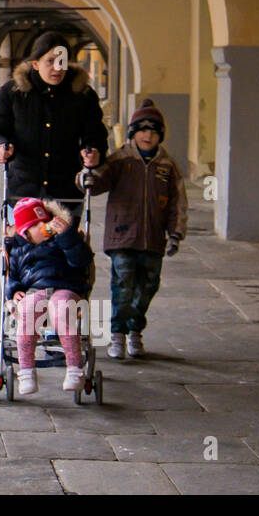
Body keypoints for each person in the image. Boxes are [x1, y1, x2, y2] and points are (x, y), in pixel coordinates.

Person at [79, 98, 188, 359]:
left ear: (160, 135)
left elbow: (178, 202)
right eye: (141, 130)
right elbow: (97, 181)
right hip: (121, 236)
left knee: (148, 286)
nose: (147, 135)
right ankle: (117, 333)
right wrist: (88, 173)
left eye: (153, 131)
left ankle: (135, 329)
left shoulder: (167, 165)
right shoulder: (120, 160)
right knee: (123, 284)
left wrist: (176, 233)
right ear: (132, 133)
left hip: (153, 238)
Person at [0, 31, 110, 217]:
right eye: (50, 61)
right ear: (35, 63)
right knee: (23, 246)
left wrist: (93, 151)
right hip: (23, 192)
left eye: (63, 61)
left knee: (67, 246)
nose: (57, 68)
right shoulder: (12, 93)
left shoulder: (83, 95)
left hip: (66, 193)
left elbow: (96, 135)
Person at [4, 197, 94, 395]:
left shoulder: (62, 240)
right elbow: (13, 275)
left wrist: (67, 237)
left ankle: (75, 368)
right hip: (35, 291)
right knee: (27, 312)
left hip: (66, 288)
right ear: (25, 232)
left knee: (62, 310)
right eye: (36, 225)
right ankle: (26, 371)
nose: (43, 227)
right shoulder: (19, 250)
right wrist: (14, 291)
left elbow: (82, 260)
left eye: (44, 222)